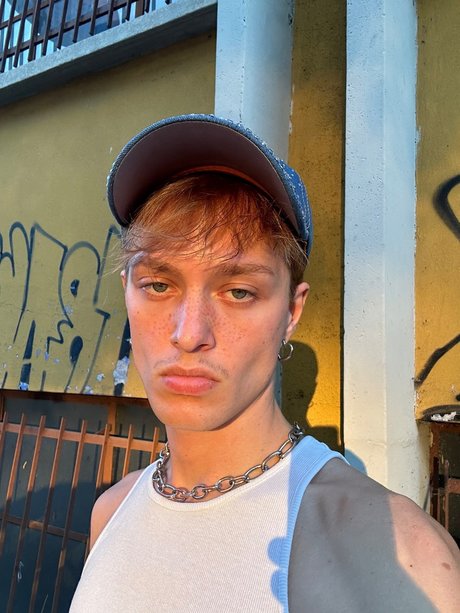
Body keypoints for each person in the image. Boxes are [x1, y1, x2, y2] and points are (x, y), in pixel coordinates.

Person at [70, 115, 459, 612]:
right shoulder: (110, 512)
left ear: (291, 313)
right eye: (159, 285)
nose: (188, 333)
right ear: (127, 289)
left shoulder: (398, 556)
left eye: (239, 291)